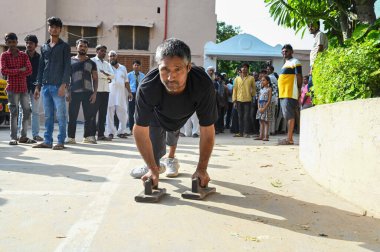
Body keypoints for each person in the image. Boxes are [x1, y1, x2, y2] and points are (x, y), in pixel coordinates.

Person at [130, 38, 218, 187]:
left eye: (178, 69)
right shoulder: (148, 87)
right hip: (158, 115)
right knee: (155, 153)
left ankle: (171, 159)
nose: (171, 77)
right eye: (165, 70)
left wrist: (202, 169)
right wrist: (152, 169)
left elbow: (207, 130)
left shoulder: (202, 84)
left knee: (173, 134)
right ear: (158, 67)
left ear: (188, 67)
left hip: (184, 112)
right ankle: (153, 165)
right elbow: (139, 130)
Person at [33, 17, 71, 150]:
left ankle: (60, 141)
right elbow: (41, 67)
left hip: (58, 86)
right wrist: (38, 86)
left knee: (61, 115)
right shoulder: (44, 47)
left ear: (60, 29)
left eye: (56, 27)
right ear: (48, 28)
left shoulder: (65, 47)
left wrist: (63, 85)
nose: (54, 29)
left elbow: (67, 67)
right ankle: (47, 141)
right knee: (48, 115)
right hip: (45, 86)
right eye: (51, 26)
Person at [0, 32, 33, 145]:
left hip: (23, 88)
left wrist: (13, 70)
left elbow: (29, 70)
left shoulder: (23, 55)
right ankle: (13, 138)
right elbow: (3, 71)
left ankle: (23, 136)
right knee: (14, 113)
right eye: (9, 42)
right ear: (6, 43)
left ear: (17, 42)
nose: (12, 44)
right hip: (12, 89)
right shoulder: (4, 55)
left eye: (14, 42)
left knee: (27, 111)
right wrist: (19, 70)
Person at [66, 39, 98, 144]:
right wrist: (67, 92)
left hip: (88, 92)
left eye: (85, 46)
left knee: (89, 116)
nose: (83, 48)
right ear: (76, 47)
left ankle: (88, 137)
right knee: (72, 116)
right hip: (74, 91)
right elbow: (67, 78)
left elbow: (95, 78)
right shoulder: (70, 61)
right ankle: (71, 138)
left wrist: (94, 93)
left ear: (87, 48)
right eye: (81, 46)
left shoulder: (91, 63)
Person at [18, 35, 43, 141]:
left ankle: (35, 134)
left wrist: (38, 87)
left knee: (36, 111)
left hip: (36, 88)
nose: (28, 45)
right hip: (23, 87)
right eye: (27, 43)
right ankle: (21, 134)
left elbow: (41, 74)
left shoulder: (40, 58)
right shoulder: (20, 56)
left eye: (31, 43)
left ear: (36, 45)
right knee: (22, 111)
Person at [277, 44, 302, 145]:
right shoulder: (286, 63)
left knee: (290, 116)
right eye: (282, 52)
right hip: (283, 94)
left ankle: (290, 139)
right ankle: (289, 138)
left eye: (286, 51)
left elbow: (299, 76)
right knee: (287, 116)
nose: (284, 53)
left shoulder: (295, 62)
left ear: (292, 52)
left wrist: (299, 89)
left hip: (290, 93)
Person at [105, 50, 132, 139]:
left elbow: (126, 81)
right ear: (108, 58)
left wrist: (130, 92)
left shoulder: (123, 68)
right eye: (110, 56)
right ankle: (110, 132)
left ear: (117, 57)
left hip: (121, 94)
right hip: (109, 94)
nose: (112, 57)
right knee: (109, 113)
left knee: (123, 113)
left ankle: (121, 131)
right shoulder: (106, 67)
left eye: (113, 55)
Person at [91, 45, 114, 141]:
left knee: (103, 114)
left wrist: (103, 74)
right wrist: (106, 75)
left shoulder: (107, 63)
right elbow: (95, 74)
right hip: (96, 90)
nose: (104, 53)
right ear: (97, 51)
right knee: (93, 113)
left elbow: (112, 76)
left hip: (106, 91)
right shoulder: (92, 61)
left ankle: (100, 135)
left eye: (105, 51)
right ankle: (91, 135)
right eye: (102, 51)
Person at [232, 63, 256, 138]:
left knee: (246, 117)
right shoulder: (237, 79)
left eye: (246, 67)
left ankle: (246, 133)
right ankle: (240, 132)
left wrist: (252, 95)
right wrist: (234, 101)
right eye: (243, 67)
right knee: (240, 117)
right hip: (239, 100)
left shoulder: (251, 78)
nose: (244, 69)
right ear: (241, 69)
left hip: (247, 100)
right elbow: (234, 90)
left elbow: (254, 88)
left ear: (248, 69)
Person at [308, 21, 328, 99]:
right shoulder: (316, 36)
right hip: (314, 64)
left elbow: (320, 48)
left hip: (317, 64)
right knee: (311, 86)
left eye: (312, 26)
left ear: (318, 26)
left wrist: (314, 65)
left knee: (311, 86)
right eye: (309, 26)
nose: (310, 28)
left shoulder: (320, 34)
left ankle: (315, 104)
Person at [127, 59, 145, 134]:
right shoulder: (129, 75)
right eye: (135, 65)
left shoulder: (143, 75)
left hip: (140, 94)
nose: (136, 66)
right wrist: (129, 92)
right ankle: (131, 129)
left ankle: (138, 129)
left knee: (139, 112)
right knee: (131, 112)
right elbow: (127, 84)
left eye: (138, 65)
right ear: (133, 66)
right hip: (132, 94)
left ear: (140, 66)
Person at [254, 75, 272, 141]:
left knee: (266, 121)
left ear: (268, 81)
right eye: (261, 80)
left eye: (264, 80)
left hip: (265, 105)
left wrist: (264, 108)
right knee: (261, 121)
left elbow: (269, 100)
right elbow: (258, 99)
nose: (262, 81)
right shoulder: (261, 89)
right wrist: (258, 107)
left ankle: (266, 136)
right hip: (260, 105)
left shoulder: (269, 89)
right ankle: (260, 135)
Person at [266, 65, 278, 135]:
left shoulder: (270, 77)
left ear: (272, 70)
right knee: (272, 115)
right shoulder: (274, 78)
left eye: (269, 69)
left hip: (270, 98)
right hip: (273, 98)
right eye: (267, 69)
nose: (267, 70)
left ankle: (269, 131)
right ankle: (272, 130)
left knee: (269, 115)